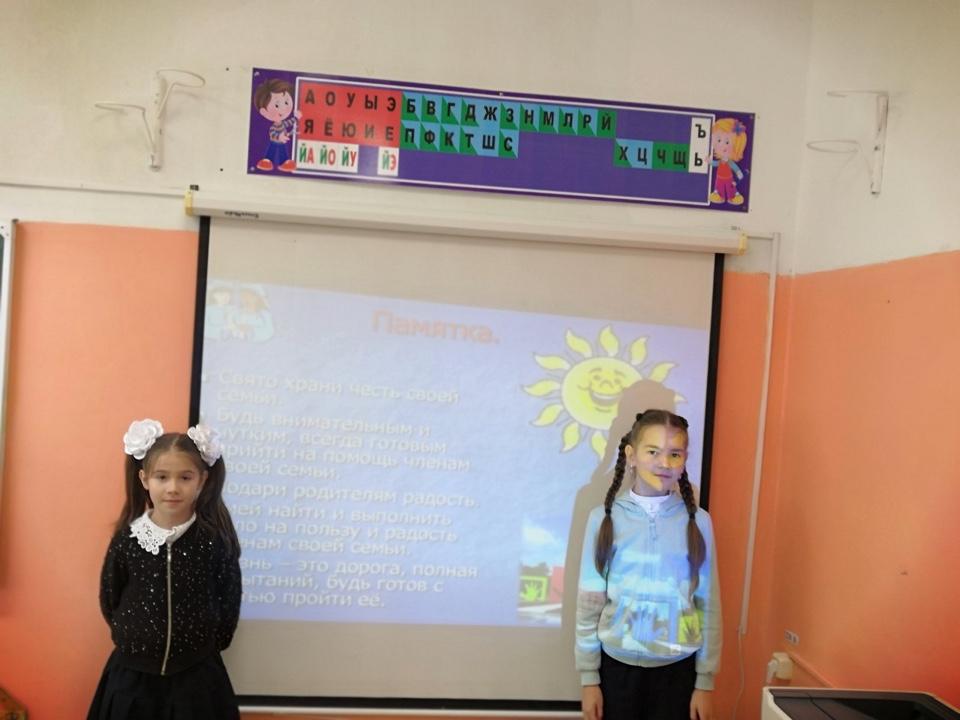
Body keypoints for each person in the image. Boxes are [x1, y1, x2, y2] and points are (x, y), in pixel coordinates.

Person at [87, 419, 242, 720]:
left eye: (185, 477)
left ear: (202, 480)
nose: (172, 488)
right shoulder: (128, 540)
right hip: (132, 678)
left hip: (197, 679)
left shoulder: (214, 541)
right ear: (145, 479)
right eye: (162, 477)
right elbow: (110, 598)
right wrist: (135, 638)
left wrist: (203, 647)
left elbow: (229, 601)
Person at [576, 410, 720, 720]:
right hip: (616, 671)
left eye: (674, 454)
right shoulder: (603, 519)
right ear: (632, 455)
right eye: (653, 451)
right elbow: (589, 604)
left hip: (678, 673)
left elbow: (708, 605)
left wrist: (704, 683)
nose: (664, 463)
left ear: (684, 460)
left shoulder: (699, 522)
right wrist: (589, 679)